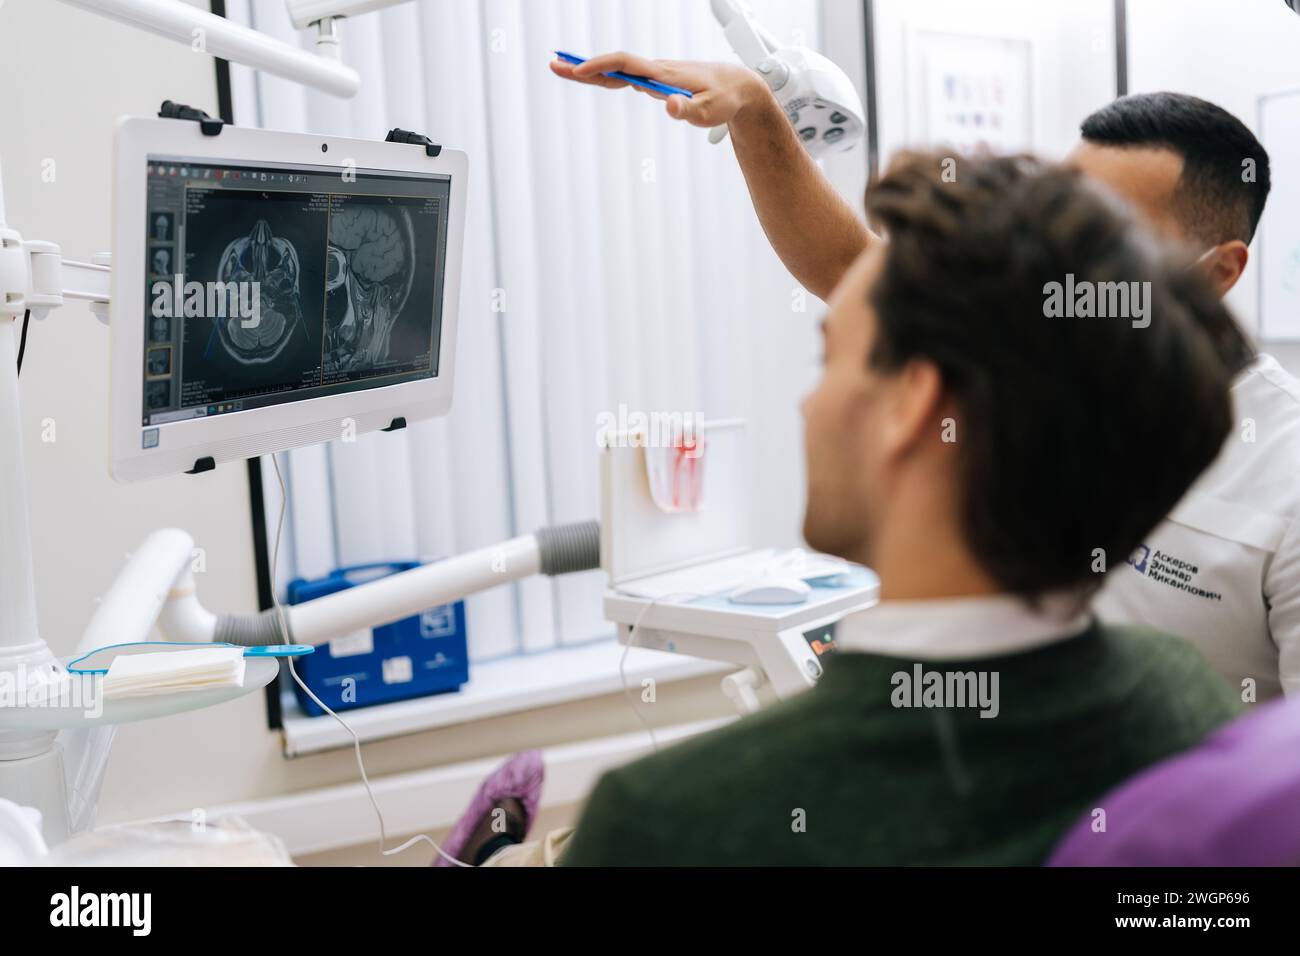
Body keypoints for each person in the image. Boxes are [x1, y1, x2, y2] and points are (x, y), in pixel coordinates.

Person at [454, 151, 1241, 866]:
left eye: (830, 356)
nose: (808, 404)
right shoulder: (1182, 700)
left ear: (912, 404)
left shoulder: (667, 822)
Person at [553, 57, 1300, 700]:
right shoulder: (1039, 361)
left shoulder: (1285, 475)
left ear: (1218, 272)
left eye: (1108, 240)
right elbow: (854, 273)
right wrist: (754, 112)